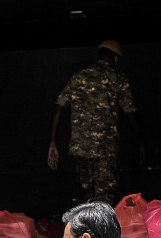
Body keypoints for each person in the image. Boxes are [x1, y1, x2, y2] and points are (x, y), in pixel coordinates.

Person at [47, 41, 145, 204]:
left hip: (81, 148)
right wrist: (141, 140)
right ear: (114, 59)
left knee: (87, 192)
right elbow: (130, 112)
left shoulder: (78, 77)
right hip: (105, 148)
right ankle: (102, 227)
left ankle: (89, 226)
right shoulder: (117, 79)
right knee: (105, 194)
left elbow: (59, 107)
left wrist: (52, 142)